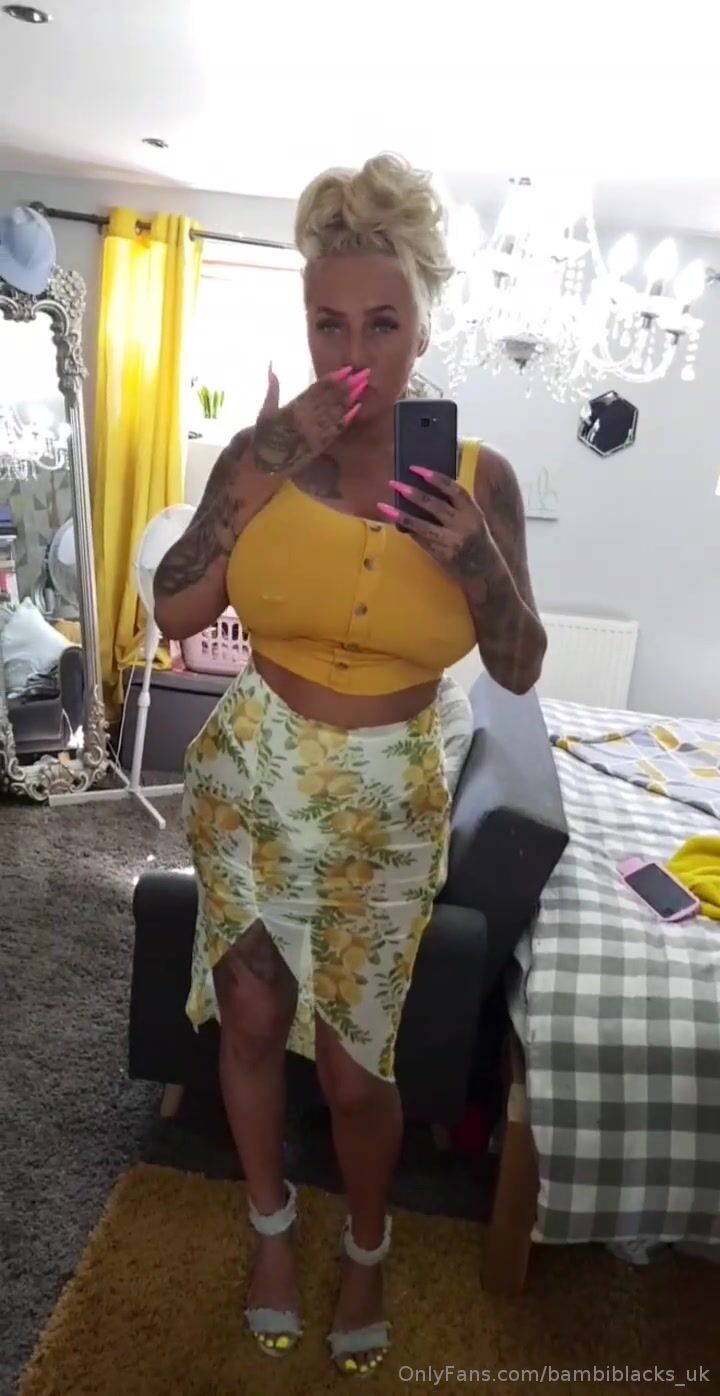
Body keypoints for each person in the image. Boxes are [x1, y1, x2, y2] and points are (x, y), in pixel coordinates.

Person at [154, 152, 546, 1376]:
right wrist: (264, 461)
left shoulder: (479, 480)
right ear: (306, 319)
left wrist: (475, 558)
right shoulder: (259, 455)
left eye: (384, 321)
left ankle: (366, 1242)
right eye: (331, 321)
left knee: (355, 1062)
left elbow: (519, 665)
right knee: (252, 1014)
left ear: (425, 323)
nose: (355, 348)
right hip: (251, 783)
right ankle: (272, 1225)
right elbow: (175, 608)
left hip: (384, 809)